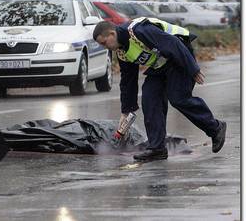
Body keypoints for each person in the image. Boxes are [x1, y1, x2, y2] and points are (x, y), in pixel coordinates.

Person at [92, 17, 227, 161]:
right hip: (160, 65)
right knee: (150, 98)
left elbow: (173, 43)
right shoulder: (121, 52)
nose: (105, 47)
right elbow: (127, 81)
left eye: (104, 43)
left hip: (179, 55)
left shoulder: (138, 31)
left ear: (112, 34)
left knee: (178, 98)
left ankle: (215, 128)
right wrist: (126, 111)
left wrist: (193, 69)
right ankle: (157, 148)